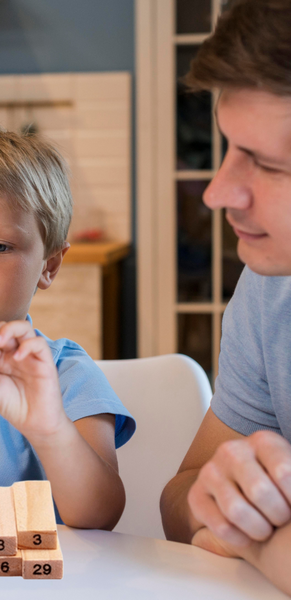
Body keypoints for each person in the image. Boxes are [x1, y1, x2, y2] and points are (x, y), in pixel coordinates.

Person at [0, 125, 135, 528]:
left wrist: (49, 427)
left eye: (0, 246)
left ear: (49, 266)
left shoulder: (67, 376)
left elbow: (100, 515)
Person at [160, 0, 291, 594]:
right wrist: (218, 500)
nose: (215, 193)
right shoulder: (269, 293)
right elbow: (180, 499)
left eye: (264, 163)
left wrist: (252, 538)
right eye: (228, 149)